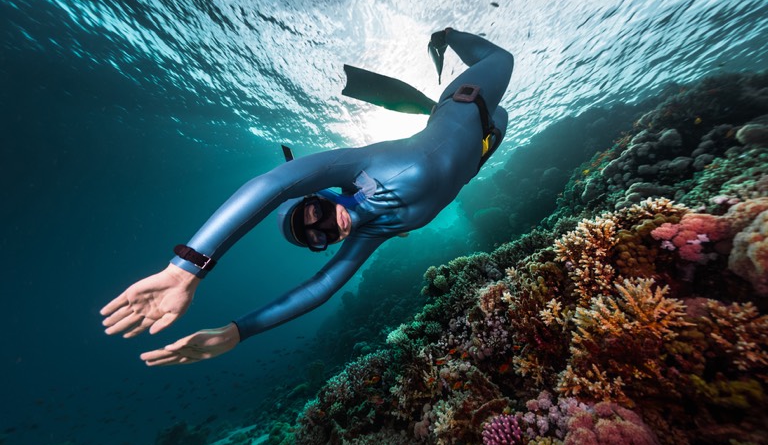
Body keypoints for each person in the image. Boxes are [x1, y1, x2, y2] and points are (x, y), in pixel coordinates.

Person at [100, 28, 515, 366]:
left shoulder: (363, 165)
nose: (327, 228)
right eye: (316, 239)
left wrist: (185, 268)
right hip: (489, 138)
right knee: (504, 116)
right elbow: (321, 288)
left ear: (317, 194)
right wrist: (237, 332)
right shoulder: (373, 232)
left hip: (466, 102)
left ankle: (442, 36)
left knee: (503, 59)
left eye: (314, 213)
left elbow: (272, 184)